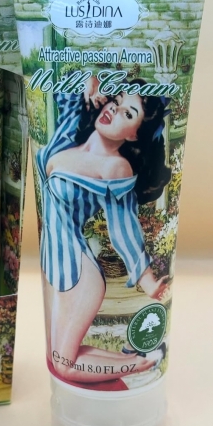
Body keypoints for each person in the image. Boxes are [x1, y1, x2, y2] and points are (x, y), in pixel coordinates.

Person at [38, 75, 171, 385]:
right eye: (116, 100)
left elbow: (122, 228)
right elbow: (61, 90)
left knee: (64, 366)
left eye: (128, 113)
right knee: (61, 354)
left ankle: (146, 364)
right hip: (54, 266)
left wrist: (147, 279)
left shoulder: (114, 168)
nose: (114, 109)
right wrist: (90, 81)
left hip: (78, 274)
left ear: (135, 134)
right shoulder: (69, 136)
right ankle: (143, 358)